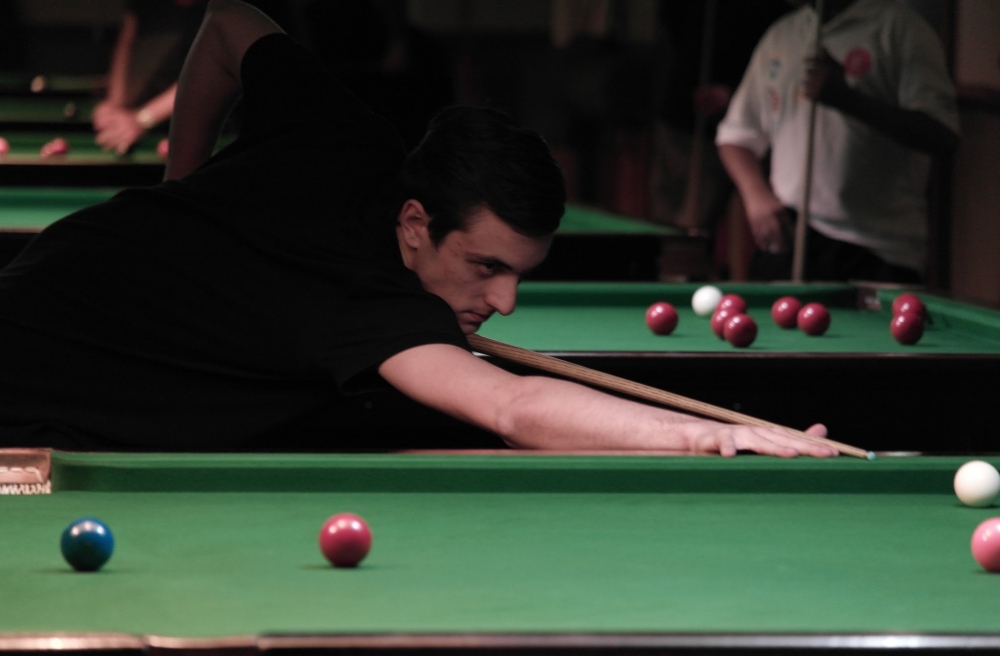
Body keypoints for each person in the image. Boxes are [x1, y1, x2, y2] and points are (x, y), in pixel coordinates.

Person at [0, 0, 834, 458]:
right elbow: (513, 407)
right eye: (485, 265)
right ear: (413, 223)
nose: (505, 302)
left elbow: (229, 24)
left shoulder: (347, 131)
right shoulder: (373, 306)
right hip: (40, 369)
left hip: (64, 263)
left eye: (519, 273)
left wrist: (177, 194)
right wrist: (707, 437)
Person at [716, 0, 960, 282]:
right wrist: (756, 196)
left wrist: (848, 100)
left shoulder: (900, 28)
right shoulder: (782, 33)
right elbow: (736, 135)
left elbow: (942, 134)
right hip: (790, 237)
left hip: (875, 249)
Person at [93, 0, 207, 155]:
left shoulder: (219, 8)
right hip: (137, 116)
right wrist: (116, 103)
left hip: (197, 125)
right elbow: (126, 44)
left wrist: (142, 119)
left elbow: (204, 74)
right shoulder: (145, 5)